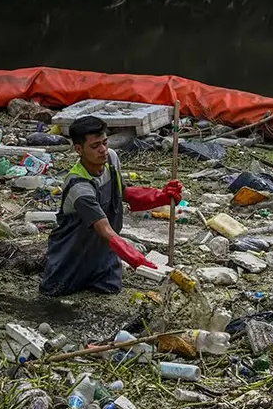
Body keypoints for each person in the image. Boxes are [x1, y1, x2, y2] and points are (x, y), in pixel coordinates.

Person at [40, 115, 182, 297]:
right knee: (53, 297)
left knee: (109, 292)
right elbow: (104, 229)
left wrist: (160, 196)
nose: (103, 150)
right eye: (95, 146)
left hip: (103, 255)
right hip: (71, 256)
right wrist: (134, 257)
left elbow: (123, 193)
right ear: (78, 149)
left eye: (105, 143)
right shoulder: (79, 185)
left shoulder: (111, 160)